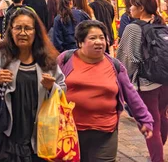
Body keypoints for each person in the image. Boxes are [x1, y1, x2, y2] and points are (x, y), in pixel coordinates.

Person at [58, 20, 153, 162]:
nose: (99, 42)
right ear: (80, 42)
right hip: (69, 131)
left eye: (102, 38)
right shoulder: (65, 60)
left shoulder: (115, 65)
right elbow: (51, 87)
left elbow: (131, 94)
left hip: (105, 132)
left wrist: (144, 119)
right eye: (92, 38)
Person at [0, 8, 66, 161]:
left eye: (28, 28)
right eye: (18, 28)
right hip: (9, 134)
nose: (22, 33)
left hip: (40, 133)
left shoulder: (47, 58)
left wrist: (51, 88)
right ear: (11, 30)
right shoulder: (0, 54)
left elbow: (62, 87)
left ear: (35, 31)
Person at [117, 0, 168, 162]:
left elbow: (126, 59)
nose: (130, 9)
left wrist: (125, 79)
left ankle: (157, 158)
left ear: (141, 8)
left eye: (132, 6)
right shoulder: (161, 25)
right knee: (161, 116)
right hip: (164, 80)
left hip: (146, 84)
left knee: (149, 123)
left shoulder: (133, 28)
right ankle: (158, 151)